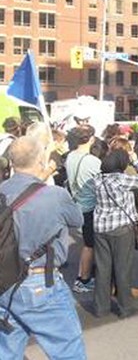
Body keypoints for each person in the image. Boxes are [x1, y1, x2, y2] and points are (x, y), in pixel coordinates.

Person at [0, 137, 86, 359]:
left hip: (4, 280)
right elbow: (77, 220)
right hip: (39, 281)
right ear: (41, 160)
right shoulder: (54, 195)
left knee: (8, 349)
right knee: (67, 349)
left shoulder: (2, 191)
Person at [91, 149, 138, 318]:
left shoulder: (97, 179)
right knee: (123, 268)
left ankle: (101, 307)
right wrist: (135, 160)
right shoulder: (122, 180)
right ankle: (125, 307)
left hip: (100, 227)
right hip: (121, 228)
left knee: (102, 269)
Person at [65, 125, 101, 294]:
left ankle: (85, 275)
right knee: (89, 244)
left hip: (78, 203)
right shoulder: (93, 161)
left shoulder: (70, 156)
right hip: (91, 206)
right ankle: (83, 279)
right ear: (91, 139)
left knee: (89, 242)